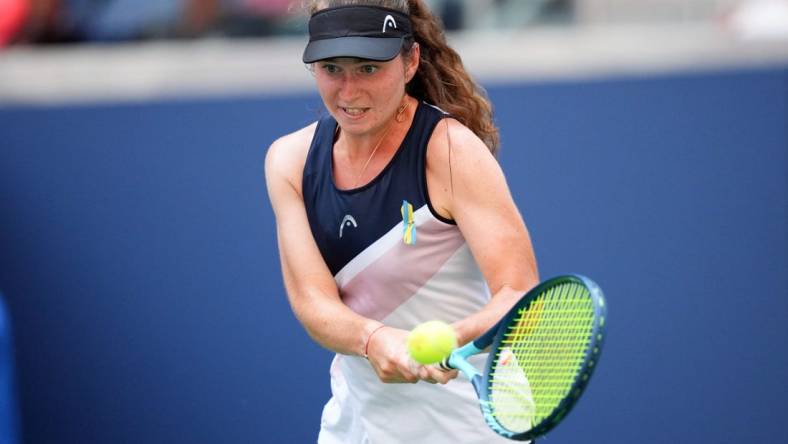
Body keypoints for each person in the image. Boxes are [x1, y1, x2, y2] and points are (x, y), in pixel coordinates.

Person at [264, 0, 539, 442]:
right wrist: (374, 339)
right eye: (331, 68)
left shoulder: (450, 151)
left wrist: (448, 340)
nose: (349, 92)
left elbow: (518, 293)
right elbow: (314, 304)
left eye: (369, 68)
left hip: (472, 427)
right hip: (357, 427)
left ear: (410, 60)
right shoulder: (289, 162)